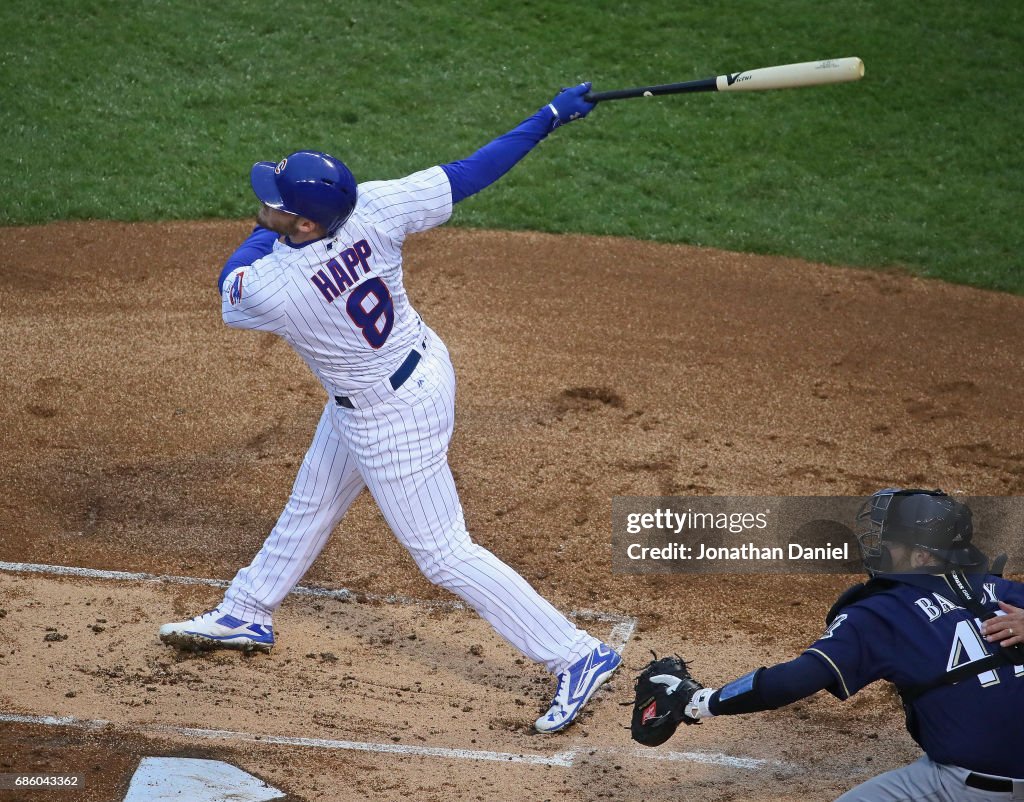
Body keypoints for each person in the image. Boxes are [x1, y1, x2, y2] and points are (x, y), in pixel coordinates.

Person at [158, 83, 621, 734]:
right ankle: (248, 610)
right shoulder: (376, 206)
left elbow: (228, 279)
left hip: (386, 418)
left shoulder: (276, 288)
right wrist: (545, 118)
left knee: (443, 553)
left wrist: (268, 226)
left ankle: (576, 653)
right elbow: (468, 175)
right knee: (315, 496)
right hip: (423, 364)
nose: (265, 205)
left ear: (309, 223)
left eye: (279, 204)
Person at [632, 488, 1024, 800]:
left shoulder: (880, 614)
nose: (879, 546)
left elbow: (791, 682)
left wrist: (698, 701)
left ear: (921, 555)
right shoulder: (1009, 593)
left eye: (891, 541)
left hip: (968, 787)